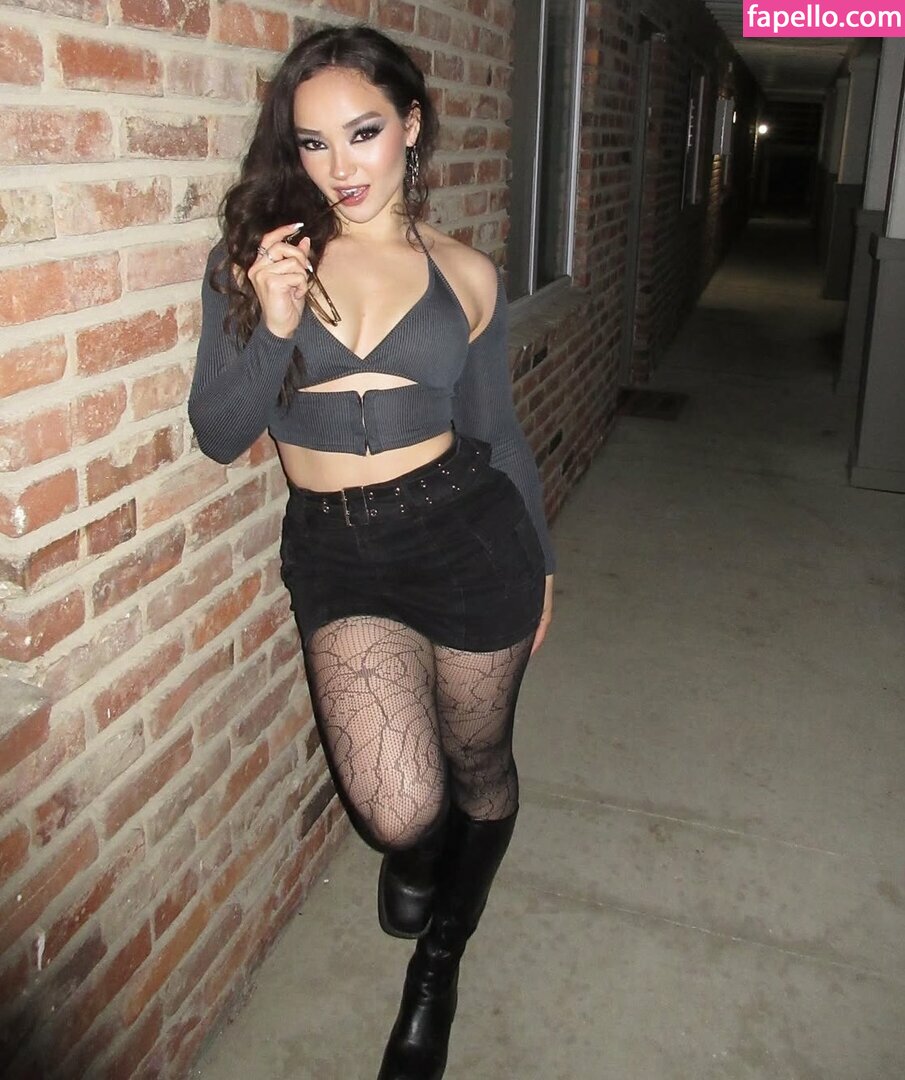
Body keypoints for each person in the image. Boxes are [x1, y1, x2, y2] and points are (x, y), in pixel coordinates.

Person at [188, 24, 555, 1080]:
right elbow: (219, 432)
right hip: (339, 553)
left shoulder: (463, 274)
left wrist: (541, 569)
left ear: (410, 127)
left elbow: (499, 436)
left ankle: (437, 966)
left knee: (478, 764)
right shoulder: (260, 259)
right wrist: (270, 320)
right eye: (311, 143)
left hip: (468, 534)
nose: (338, 166)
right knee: (398, 807)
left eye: (361, 133)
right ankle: (422, 852)